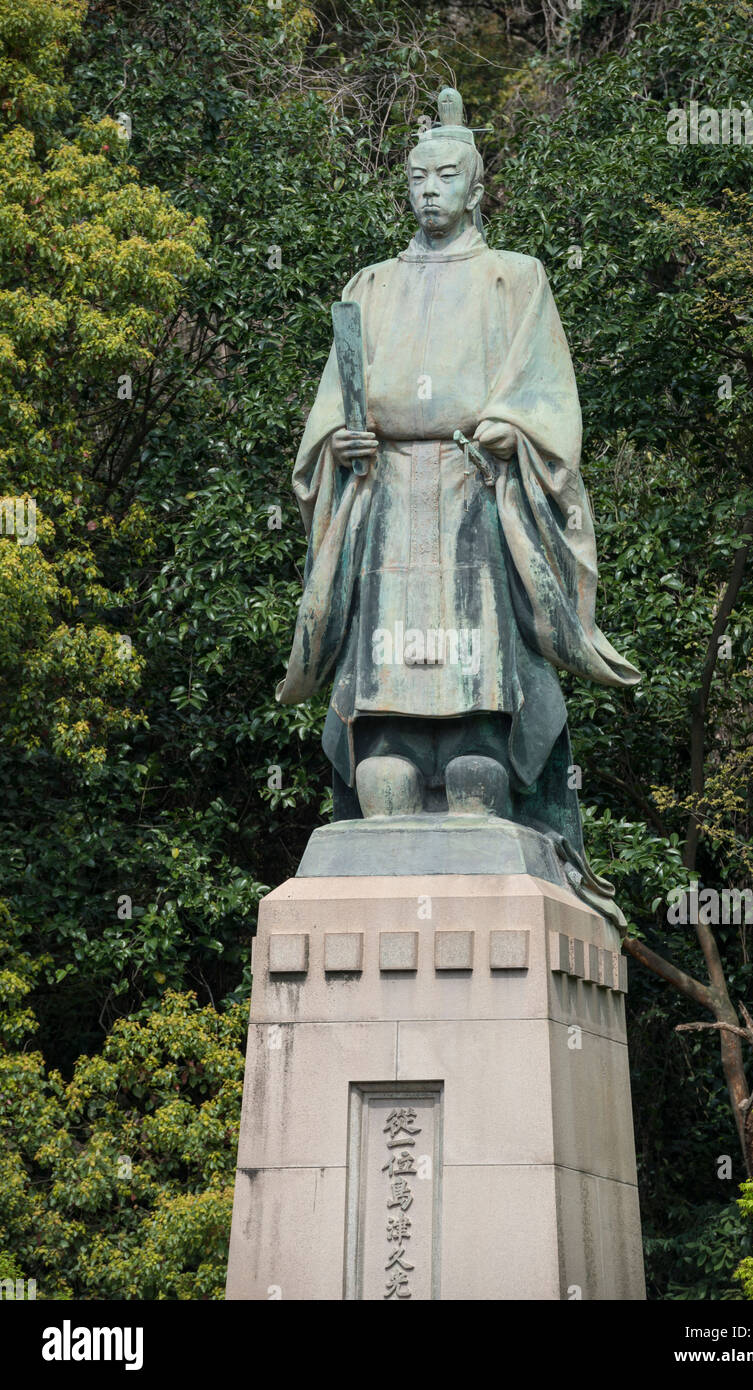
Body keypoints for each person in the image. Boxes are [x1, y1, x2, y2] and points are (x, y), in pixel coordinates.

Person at [278, 87, 641, 921]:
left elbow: (547, 399)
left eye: (446, 175)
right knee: (384, 771)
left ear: (476, 188)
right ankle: (391, 750)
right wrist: (340, 447)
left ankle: (484, 753)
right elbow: (332, 411)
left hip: (475, 493)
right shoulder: (367, 285)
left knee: (479, 744)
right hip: (385, 505)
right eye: (416, 176)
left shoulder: (517, 280)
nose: (429, 189)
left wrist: (511, 427)